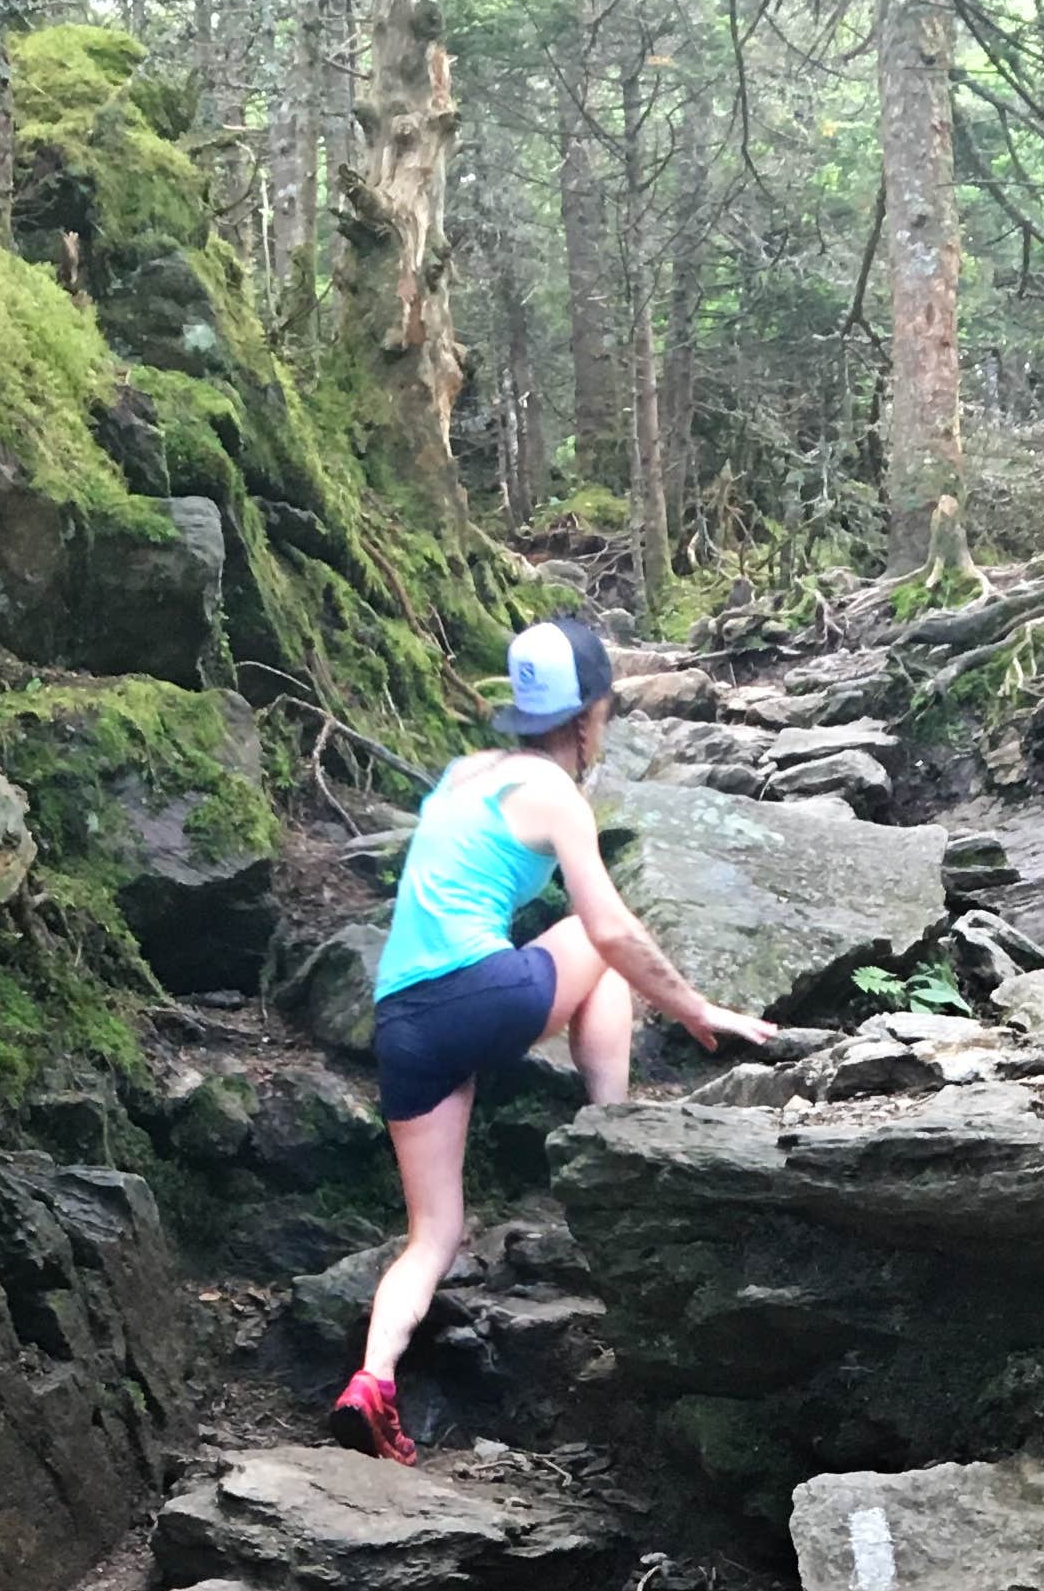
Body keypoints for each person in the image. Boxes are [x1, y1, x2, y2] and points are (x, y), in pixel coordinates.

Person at [330, 615, 775, 1463]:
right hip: (475, 992)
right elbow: (609, 931)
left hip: (403, 1022)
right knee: (599, 945)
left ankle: (372, 1381)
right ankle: (613, 1136)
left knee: (433, 1234)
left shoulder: (465, 772)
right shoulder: (556, 794)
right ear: (589, 715)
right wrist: (695, 1008)